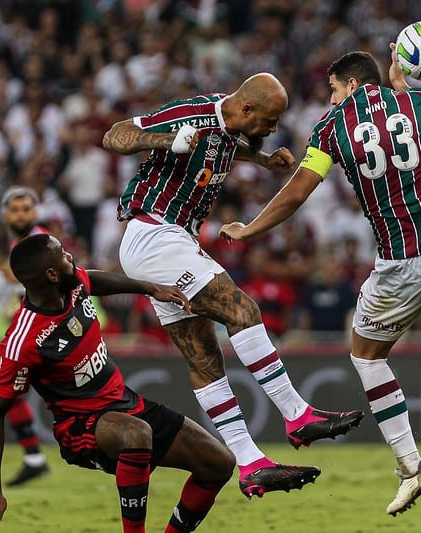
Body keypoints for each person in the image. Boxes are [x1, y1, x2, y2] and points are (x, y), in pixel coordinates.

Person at [220, 51, 421, 515]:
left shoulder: (331, 127)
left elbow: (298, 191)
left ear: (350, 84)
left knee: (366, 355)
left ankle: (410, 466)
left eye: (334, 87)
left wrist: (249, 228)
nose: (331, 95)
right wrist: (405, 88)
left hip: (404, 261)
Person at [102, 72, 363, 498]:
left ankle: (249, 462)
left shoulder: (229, 127)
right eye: (270, 121)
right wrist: (170, 142)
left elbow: (225, 146)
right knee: (241, 310)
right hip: (155, 232)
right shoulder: (194, 115)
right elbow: (116, 135)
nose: (273, 129)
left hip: (166, 240)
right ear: (246, 109)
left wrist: (261, 160)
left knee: (205, 358)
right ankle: (297, 414)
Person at [0, 234, 238, 533]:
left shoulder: (72, 284)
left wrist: (151, 289)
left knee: (219, 463)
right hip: (81, 426)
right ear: (50, 275)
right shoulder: (23, 341)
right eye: (64, 255)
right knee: (135, 433)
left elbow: (92, 281)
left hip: (125, 403)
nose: (71, 258)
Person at [0, 187, 53, 486]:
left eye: (26, 209)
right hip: (28, 328)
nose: (20, 214)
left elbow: (52, 282)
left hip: (44, 331)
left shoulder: (40, 243)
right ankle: (35, 459)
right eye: (15, 209)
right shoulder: (16, 242)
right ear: (5, 214)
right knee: (10, 393)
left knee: (8, 393)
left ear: (35, 212)